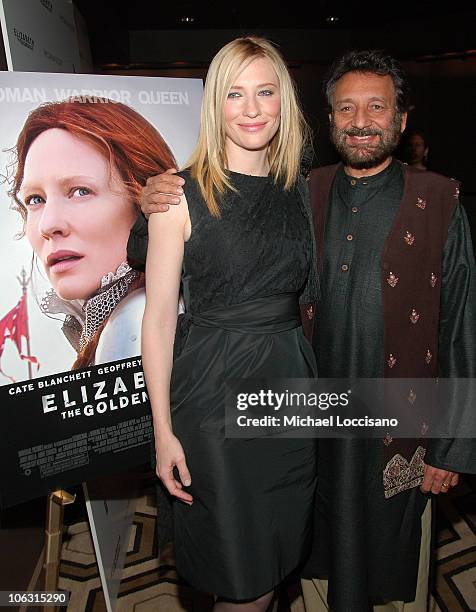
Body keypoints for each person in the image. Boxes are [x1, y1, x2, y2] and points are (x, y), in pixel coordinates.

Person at [136, 49, 476, 611]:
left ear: (402, 118)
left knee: (388, 555)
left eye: (377, 107)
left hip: (394, 415)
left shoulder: (439, 200)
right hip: (302, 406)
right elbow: (173, 255)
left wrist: (453, 443)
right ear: (328, 118)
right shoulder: (309, 187)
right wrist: (148, 199)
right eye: (346, 108)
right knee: (290, 555)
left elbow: (463, 322)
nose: (361, 121)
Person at [129, 36, 319, 610]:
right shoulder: (178, 197)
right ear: (215, 104)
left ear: (284, 101)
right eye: (235, 94)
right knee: (243, 580)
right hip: (215, 397)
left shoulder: (302, 188)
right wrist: (162, 433)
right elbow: (159, 323)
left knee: (278, 554)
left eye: (266, 92)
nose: (253, 109)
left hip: (291, 391)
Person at [9, 97, 176, 368]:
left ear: (145, 204)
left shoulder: (133, 320)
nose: (48, 225)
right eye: (35, 199)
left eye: (80, 191)